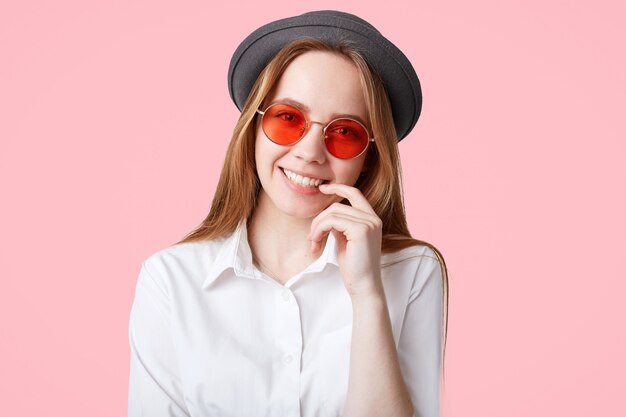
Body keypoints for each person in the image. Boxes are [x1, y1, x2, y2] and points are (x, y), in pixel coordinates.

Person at [128, 10, 449, 417]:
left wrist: (367, 296)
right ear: (253, 128)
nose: (310, 152)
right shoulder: (171, 281)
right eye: (288, 119)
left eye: (345, 132)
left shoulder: (412, 271)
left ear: (368, 158)